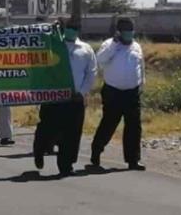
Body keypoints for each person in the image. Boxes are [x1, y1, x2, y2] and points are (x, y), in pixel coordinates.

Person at [34, 19, 97, 175]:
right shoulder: (52, 46)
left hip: (75, 99)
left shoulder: (86, 49)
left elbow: (91, 72)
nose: (71, 31)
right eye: (69, 28)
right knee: (47, 128)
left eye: (75, 28)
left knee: (72, 134)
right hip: (53, 97)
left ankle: (66, 166)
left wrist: (81, 92)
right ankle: (39, 150)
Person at [90, 18, 145, 171]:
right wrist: (114, 44)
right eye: (126, 31)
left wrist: (142, 84)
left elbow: (141, 66)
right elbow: (100, 61)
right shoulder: (109, 45)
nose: (129, 33)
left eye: (131, 30)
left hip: (132, 92)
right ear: (119, 32)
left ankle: (133, 160)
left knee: (134, 126)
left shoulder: (136, 46)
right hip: (113, 92)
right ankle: (96, 151)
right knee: (109, 123)